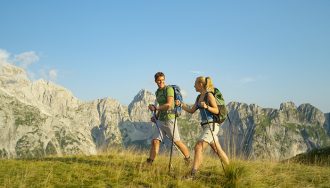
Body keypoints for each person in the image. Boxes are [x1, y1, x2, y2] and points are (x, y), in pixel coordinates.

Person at [178, 76, 229, 176]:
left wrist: (207, 106)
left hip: (212, 126)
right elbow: (191, 111)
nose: (194, 86)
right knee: (217, 150)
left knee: (198, 147)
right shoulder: (198, 97)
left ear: (200, 84)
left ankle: (193, 173)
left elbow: (216, 110)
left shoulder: (209, 95)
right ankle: (230, 169)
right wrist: (181, 105)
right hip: (206, 127)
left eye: (195, 83)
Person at [147, 72, 191, 165]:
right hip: (161, 120)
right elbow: (160, 105)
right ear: (155, 81)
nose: (161, 82)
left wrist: (156, 108)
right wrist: (156, 117)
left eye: (163, 80)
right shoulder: (157, 92)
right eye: (159, 80)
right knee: (155, 141)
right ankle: (149, 163)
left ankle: (188, 159)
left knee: (177, 142)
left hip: (170, 119)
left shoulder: (169, 89)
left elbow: (169, 104)